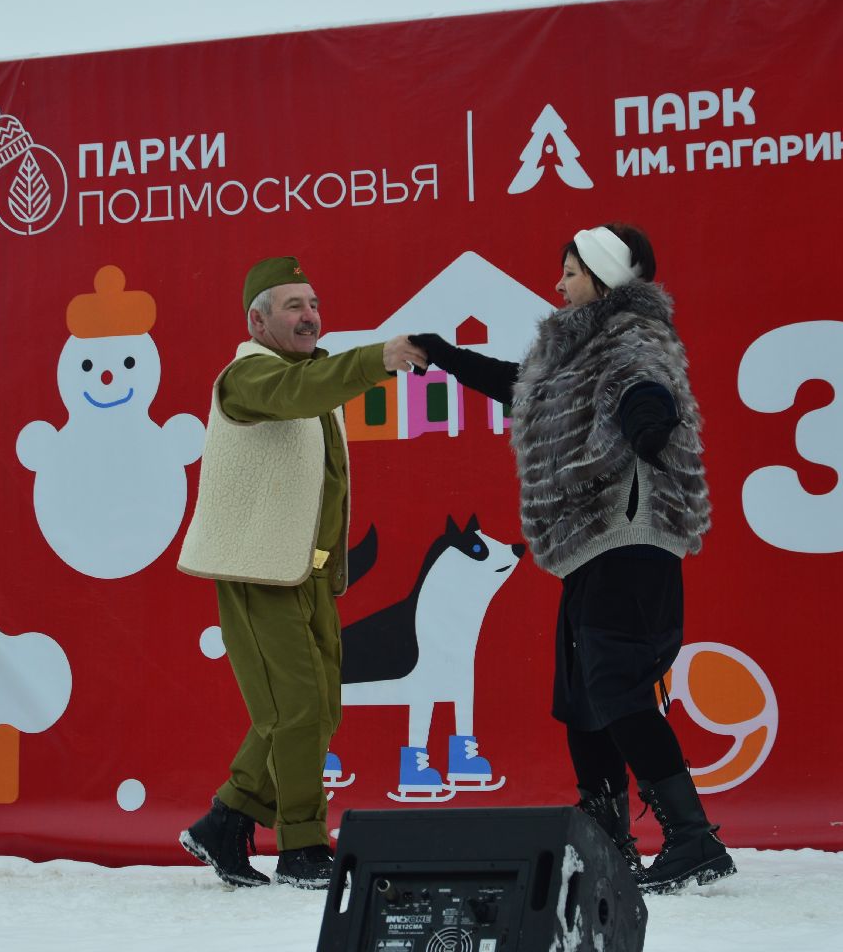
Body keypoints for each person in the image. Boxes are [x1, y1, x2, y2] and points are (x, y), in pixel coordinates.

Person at [401, 223, 734, 894]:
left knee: (616, 690)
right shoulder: (577, 356)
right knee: (583, 697)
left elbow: (647, 386)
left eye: (572, 273)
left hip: (633, 544)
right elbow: (519, 382)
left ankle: (693, 839)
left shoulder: (631, 341)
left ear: (607, 280)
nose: (558, 285)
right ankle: (607, 837)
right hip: (593, 549)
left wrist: (649, 421)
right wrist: (442, 354)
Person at [176, 256, 419, 890]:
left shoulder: (309, 373)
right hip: (258, 570)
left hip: (304, 573)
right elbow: (295, 397)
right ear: (257, 320)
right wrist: (377, 360)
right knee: (299, 708)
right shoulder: (248, 376)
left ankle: (225, 820)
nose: (309, 315)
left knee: (313, 710)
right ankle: (303, 846)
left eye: (312, 303)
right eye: (292, 306)